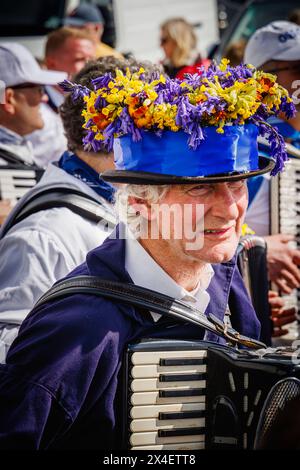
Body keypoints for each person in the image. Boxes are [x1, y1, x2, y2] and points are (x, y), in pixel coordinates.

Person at [0, 60, 293, 449]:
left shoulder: (224, 276)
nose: (231, 208)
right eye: (201, 189)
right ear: (140, 203)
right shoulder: (75, 329)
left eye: (237, 183)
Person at [0, 56, 161, 362]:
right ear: (125, 136)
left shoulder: (120, 196)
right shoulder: (42, 237)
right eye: (158, 126)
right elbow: (11, 353)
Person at [244, 21, 300, 297]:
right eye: (297, 68)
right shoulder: (244, 150)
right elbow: (193, 235)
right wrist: (254, 251)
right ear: (264, 80)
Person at [26, 27, 97, 167]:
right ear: (51, 63)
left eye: (92, 59)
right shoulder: (34, 108)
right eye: (80, 59)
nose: (90, 67)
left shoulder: (92, 100)